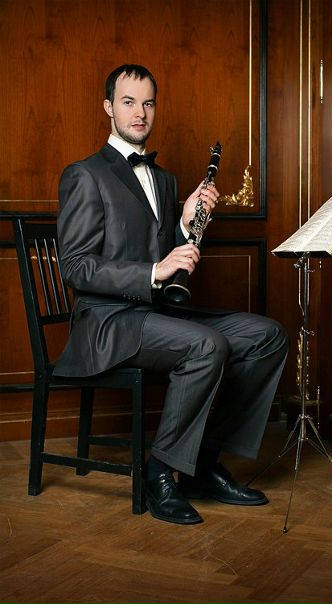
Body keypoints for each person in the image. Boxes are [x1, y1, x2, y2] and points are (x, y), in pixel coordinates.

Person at [54, 63, 289, 525]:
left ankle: (202, 465)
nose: (140, 113)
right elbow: (76, 266)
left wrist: (184, 224)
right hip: (107, 323)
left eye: (148, 103)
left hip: (157, 314)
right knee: (207, 345)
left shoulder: (164, 180)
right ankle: (159, 472)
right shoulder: (84, 174)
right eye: (128, 102)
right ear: (108, 107)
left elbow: (163, 255)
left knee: (267, 335)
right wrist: (153, 271)